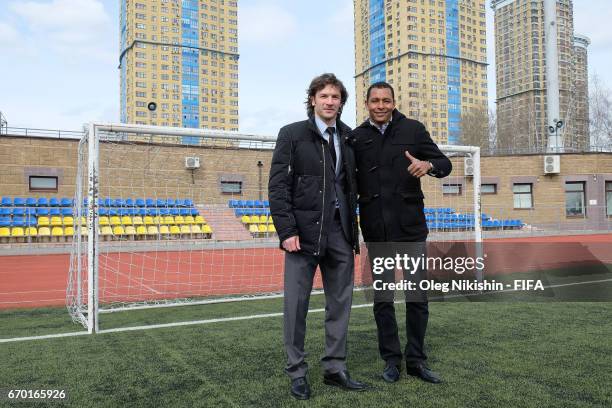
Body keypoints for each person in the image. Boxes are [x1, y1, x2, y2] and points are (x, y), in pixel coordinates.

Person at [268, 73, 367, 400]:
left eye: (335, 97)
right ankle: (297, 372)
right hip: (303, 234)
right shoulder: (292, 134)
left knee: (341, 303)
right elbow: (278, 187)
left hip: (341, 232)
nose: (329, 101)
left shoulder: (349, 137)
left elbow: (353, 184)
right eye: (323, 96)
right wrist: (287, 230)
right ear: (312, 99)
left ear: (341, 102)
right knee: (296, 306)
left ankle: (335, 368)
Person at [350, 81, 452, 384]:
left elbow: (445, 164)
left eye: (386, 101)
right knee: (382, 299)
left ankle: (416, 361)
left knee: (417, 297)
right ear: (366, 104)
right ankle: (391, 360)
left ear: (394, 102)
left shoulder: (414, 130)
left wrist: (428, 164)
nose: (381, 106)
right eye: (375, 101)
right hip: (377, 232)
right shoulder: (356, 137)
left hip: (410, 230)